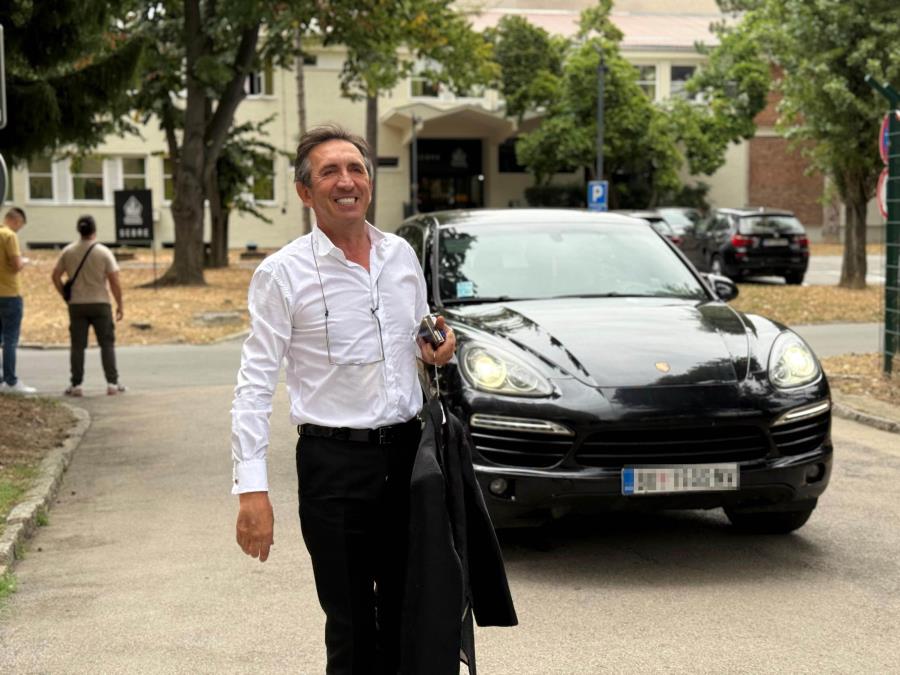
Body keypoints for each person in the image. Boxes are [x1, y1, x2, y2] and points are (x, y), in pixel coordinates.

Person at [231, 124, 456, 674]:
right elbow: (254, 384)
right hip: (334, 467)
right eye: (329, 171)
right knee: (352, 625)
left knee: (413, 614)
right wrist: (251, 489)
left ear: (369, 182)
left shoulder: (401, 256)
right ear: (305, 192)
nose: (347, 181)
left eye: (356, 169)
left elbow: (420, 332)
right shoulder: (281, 274)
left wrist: (436, 346)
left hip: (410, 461)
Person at [51, 215, 126, 396]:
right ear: (94, 230)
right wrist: (119, 304)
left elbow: (55, 275)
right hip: (100, 303)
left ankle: (76, 384)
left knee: (78, 345)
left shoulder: (68, 251)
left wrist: (64, 294)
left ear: (79, 230)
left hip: (77, 304)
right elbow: (114, 281)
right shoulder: (103, 252)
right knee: (106, 344)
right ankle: (112, 383)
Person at [0, 207, 37, 394]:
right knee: (10, 340)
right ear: (16, 220)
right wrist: (23, 262)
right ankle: (11, 381)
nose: (19, 229)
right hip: (9, 294)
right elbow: (15, 265)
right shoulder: (9, 236)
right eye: (20, 225)